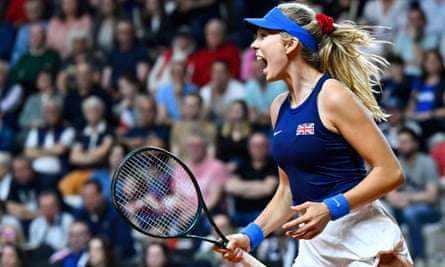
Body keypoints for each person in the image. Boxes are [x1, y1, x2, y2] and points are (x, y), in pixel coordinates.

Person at [214, 2, 414, 266]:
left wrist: (330, 208)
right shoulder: (278, 108)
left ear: (290, 44)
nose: (254, 46)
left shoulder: (332, 95)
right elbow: (287, 191)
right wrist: (249, 236)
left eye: (264, 36)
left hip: (362, 232)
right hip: (316, 244)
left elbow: (391, 173)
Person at [385, 127, 441, 264]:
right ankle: (389, 258)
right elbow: (390, 196)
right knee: (384, 210)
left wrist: (406, 197)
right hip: (401, 207)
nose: (402, 146)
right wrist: (400, 201)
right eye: (400, 142)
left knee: (411, 213)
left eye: (406, 142)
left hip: (430, 210)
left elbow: (431, 196)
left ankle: (418, 257)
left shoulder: (427, 162)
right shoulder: (396, 163)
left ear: (415, 143)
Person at [224, 132, 278, 227]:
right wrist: (259, 186)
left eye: (262, 146)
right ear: (249, 147)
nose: (258, 149)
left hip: (265, 213)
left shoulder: (274, 165)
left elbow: (267, 189)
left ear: (268, 147)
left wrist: (242, 188)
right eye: (255, 146)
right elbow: (230, 187)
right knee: (220, 221)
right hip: (239, 214)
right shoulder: (242, 164)